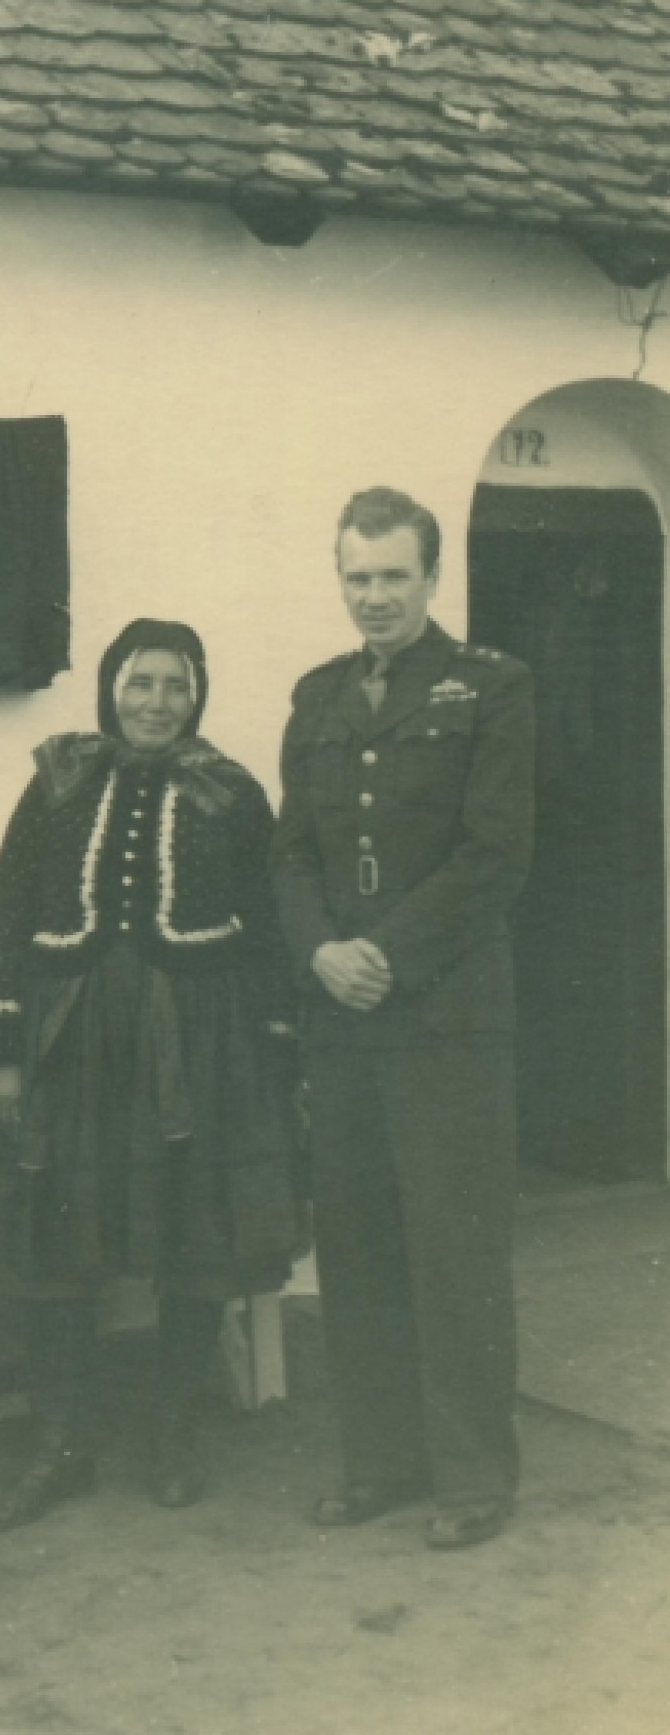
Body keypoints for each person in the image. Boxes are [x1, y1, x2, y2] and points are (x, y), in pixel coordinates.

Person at [0, 617, 303, 1530]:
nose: (155, 703)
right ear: (111, 690)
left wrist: (274, 1045)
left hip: (196, 1046)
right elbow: (6, 912)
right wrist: (0, 1050)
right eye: (139, 683)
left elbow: (268, 921)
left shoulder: (230, 793)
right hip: (73, 1044)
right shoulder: (58, 781)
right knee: (58, 1237)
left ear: (196, 696)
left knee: (192, 1236)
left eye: (173, 685)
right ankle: (63, 1444)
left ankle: (173, 1433)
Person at [271, 487, 536, 1550]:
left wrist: (385, 952)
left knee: (454, 1246)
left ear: (431, 577)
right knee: (358, 1244)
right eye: (358, 576)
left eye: (393, 576)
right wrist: (319, 950)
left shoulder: (493, 686)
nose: (374, 596)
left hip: (445, 1019)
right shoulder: (318, 696)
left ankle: (473, 1476)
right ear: (339, 578)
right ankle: (380, 1460)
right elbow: (292, 852)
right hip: (343, 1020)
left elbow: (495, 853)